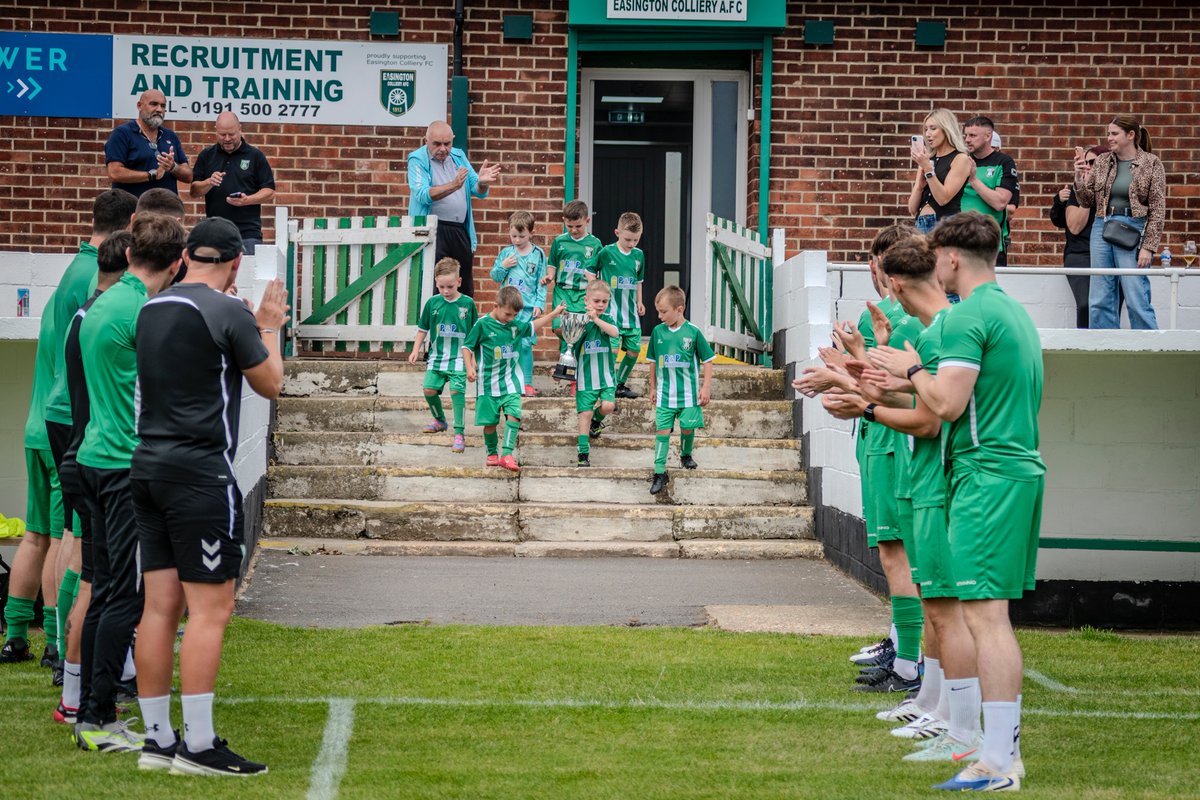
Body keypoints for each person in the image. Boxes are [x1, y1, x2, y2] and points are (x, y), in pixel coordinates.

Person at [871, 212, 1043, 792]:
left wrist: (910, 367)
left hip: (985, 472)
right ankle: (992, 751)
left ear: (949, 258)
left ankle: (998, 758)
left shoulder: (969, 315)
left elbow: (944, 405)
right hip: (1006, 470)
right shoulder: (1012, 309)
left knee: (987, 619)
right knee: (984, 616)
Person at [131, 216, 286, 776]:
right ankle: (197, 746)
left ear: (187, 256)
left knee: (158, 607)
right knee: (209, 611)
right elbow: (271, 383)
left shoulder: (151, 306)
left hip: (145, 466)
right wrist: (267, 325)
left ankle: (156, 740)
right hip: (198, 475)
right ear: (235, 262)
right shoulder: (229, 311)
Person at [824, 238, 985, 762]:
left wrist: (861, 398)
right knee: (938, 599)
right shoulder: (941, 327)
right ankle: (935, 705)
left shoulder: (947, 328)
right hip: (933, 471)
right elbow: (907, 395)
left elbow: (929, 413)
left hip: (947, 475)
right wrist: (853, 372)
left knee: (960, 609)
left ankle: (963, 729)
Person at [1, 191, 135, 672]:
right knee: (67, 538)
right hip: (65, 419)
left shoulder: (72, 270)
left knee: (36, 535)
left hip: (37, 421)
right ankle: (60, 646)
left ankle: (16, 637)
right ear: (131, 224)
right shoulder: (96, 278)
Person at [72, 214, 185, 753]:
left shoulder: (105, 301)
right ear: (177, 261)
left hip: (95, 458)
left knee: (104, 593)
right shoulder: (141, 309)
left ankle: (89, 710)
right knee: (123, 596)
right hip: (120, 466)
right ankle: (95, 717)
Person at [793, 225, 924, 683]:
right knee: (898, 552)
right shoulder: (907, 319)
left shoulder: (890, 317)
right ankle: (904, 646)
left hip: (892, 443)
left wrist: (839, 377)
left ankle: (910, 660)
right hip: (881, 435)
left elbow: (880, 386)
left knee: (897, 552)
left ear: (878, 266)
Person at [40, 190, 138, 689]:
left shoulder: (78, 271)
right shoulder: (96, 285)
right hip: (79, 420)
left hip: (66, 412)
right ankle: (69, 661)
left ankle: (63, 652)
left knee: (70, 539)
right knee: (82, 549)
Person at [54, 231, 131, 725]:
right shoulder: (101, 317)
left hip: (86, 456)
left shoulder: (90, 313)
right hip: (95, 460)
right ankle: (75, 694)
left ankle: (85, 687)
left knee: (98, 583)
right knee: (94, 584)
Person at [1074, 115, 1167, 330]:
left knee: (1135, 291)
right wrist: (1079, 179)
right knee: (1100, 293)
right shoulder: (1103, 161)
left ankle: (1148, 347)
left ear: (1131, 135)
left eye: (1114, 133)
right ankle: (1104, 346)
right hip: (1101, 226)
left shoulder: (1151, 163)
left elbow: (1158, 209)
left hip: (1133, 227)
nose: (1109, 138)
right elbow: (1088, 201)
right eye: (1109, 133)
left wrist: (1148, 247)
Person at [462, 287, 562, 473]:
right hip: (488, 384)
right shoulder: (482, 325)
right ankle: (492, 453)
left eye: (514, 315)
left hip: (511, 381)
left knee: (515, 414)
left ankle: (507, 454)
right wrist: (469, 367)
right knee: (490, 424)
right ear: (496, 306)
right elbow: (467, 347)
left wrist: (554, 314)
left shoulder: (515, 325)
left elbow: (533, 326)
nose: (511, 318)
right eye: (508, 314)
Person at [406, 120, 502, 297]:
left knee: (464, 285)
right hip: (434, 230)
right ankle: (434, 322)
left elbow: (478, 190)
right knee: (435, 285)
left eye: (447, 143)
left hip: (459, 229)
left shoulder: (458, 156)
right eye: (437, 144)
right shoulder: (417, 159)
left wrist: (482, 183)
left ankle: (463, 322)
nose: (443, 148)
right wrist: (453, 185)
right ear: (425, 140)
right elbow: (422, 194)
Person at [646, 285, 714, 496]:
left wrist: (705, 387)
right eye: (658, 311)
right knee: (662, 432)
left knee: (686, 428)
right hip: (665, 395)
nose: (659, 316)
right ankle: (659, 472)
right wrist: (653, 387)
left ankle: (685, 454)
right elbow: (652, 362)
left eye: (664, 311)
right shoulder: (658, 332)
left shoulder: (693, 332)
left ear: (679, 309)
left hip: (688, 395)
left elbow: (708, 360)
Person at [410, 258, 478, 454]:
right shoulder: (432, 303)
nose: (445, 291)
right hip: (437, 358)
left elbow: (474, 335)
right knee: (429, 390)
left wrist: (472, 363)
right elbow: (423, 329)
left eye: (449, 286)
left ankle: (459, 434)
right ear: (435, 283)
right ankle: (440, 420)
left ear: (459, 282)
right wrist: (416, 349)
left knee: (457, 394)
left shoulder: (467, 304)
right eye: (441, 287)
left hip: (459, 359)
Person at [189, 112, 277, 251]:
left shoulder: (255, 155)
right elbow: (194, 191)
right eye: (222, 135)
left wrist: (247, 200)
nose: (227, 139)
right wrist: (209, 182)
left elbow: (270, 191)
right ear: (216, 131)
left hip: (248, 233)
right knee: (215, 273)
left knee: (248, 272)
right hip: (215, 232)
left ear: (240, 129)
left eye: (232, 134)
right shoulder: (207, 155)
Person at [489, 211, 548, 396]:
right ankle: (507, 379)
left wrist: (539, 303)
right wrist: (503, 266)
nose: (517, 240)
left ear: (531, 232)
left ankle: (527, 383)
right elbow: (495, 277)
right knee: (507, 343)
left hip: (528, 308)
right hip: (508, 308)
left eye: (521, 236)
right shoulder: (507, 253)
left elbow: (542, 281)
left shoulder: (538, 254)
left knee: (524, 344)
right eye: (513, 236)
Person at [547, 200, 603, 388]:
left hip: (581, 294)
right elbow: (552, 264)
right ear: (564, 221)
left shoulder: (594, 244)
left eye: (578, 226)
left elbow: (597, 270)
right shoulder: (559, 241)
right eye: (569, 226)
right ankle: (566, 362)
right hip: (562, 290)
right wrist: (549, 276)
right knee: (558, 327)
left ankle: (569, 372)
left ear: (587, 221)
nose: (574, 230)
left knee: (578, 330)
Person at [591, 212, 646, 400]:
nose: (632, 244)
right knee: (612, 350)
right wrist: (594, 293)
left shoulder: (639, 255)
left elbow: (639, 280)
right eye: (628, 239)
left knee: (634, 351)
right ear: (617, 233)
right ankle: (606, 385)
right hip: (611, 313)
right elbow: (589, 270)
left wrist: (640, 301)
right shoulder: (607, 252)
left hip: (630, 313)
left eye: (636, 240)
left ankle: (619, 384)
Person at [1050, 146, 1105, 328]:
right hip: (1081, 254)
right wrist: (1085, 191)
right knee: (1086, 305)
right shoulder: (1075, 191)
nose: (1088, 167)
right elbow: (1073, 227)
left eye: (1093, 162)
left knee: (1107, 307)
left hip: (1108, 254)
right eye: (1085, 162)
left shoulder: (1114, 191)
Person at [104, 90, 192, 198]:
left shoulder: (170, 136)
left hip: (166, 209)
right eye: (153, 104)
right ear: (139, 106)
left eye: (163, 106)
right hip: (134, 209)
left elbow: (189, 176)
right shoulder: (122, 133)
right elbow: (114, 173)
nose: (159, 109)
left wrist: (173, 167)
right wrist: (152, 175)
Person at [572, 280, 621, 467]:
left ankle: (597, 421)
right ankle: (583, 453)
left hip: (606, 376)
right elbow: (570, 339)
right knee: (584, 414)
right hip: (586, 378)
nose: (600, 305)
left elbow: (615, 333)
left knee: (608, 406)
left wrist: (596, 319)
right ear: (587, 300)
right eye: (596, 301)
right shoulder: (580, 320)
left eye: (604, 301)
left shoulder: (607, 319)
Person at [961, 116, 1020, 266]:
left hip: (990, 246)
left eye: (973, 135)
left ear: (988, 136)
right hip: (960, 243)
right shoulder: (961, 160)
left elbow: (1000, 202)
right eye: (966, 135)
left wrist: (973, 180)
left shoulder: (1003, 162)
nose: (967, 140)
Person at [907, 109, 972, 234]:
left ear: (946, 129)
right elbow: (912, 208)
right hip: (921, 223)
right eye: (926, 129)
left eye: (933, 128)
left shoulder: (960, 158)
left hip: (945, 224)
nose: (928, 134)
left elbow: (943, 199)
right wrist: (919, 187)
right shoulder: (928, 159)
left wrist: (928, 170)